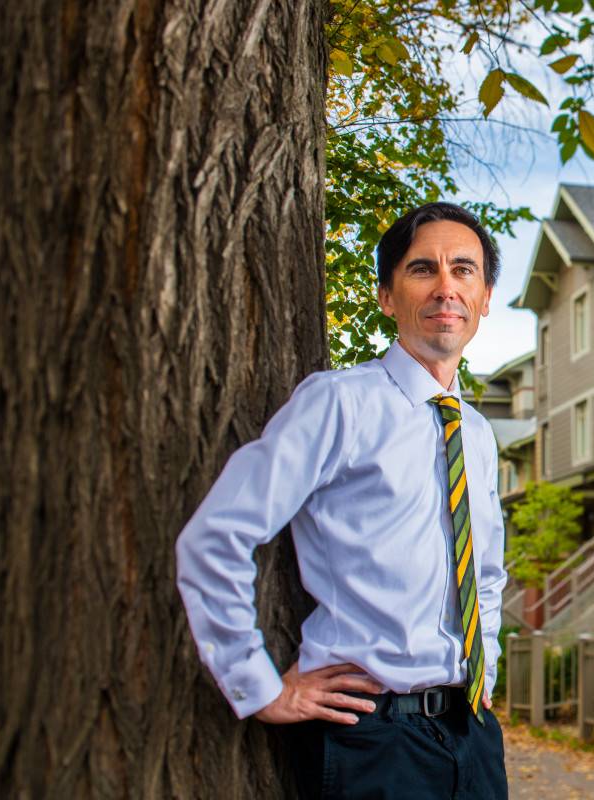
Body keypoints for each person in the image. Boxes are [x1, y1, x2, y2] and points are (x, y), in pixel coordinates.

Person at [175, 201, 509, 798]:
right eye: (420, 269)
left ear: (484, 297)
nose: (445, 287)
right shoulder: (339, 404)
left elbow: (486, 575)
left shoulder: (478, 436)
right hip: (371, 743)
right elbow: (215, 536)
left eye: (463, 270)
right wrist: (259, 686)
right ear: (386, 296)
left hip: (475, 737)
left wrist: (488, 663)